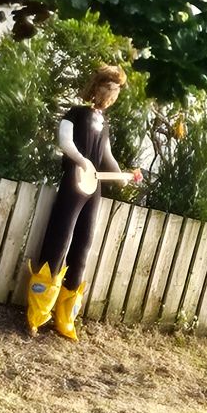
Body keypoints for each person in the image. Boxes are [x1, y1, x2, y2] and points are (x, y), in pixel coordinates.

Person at [27, 64, 142, 341]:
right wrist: (82, 162)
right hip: (74, 183)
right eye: (112, 90)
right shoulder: (75, 113)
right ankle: (37, 314)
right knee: (58, 241)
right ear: (100, 88)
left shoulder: (105, 124)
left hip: (94, 189)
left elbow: (107, 157)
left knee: (82, 249)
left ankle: (65, 319)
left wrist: (123, 175)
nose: (113, 96)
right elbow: (65, 143)